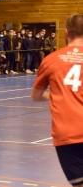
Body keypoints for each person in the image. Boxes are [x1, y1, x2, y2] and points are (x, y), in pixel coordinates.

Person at [31, 14, 83, 187]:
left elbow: (36, 95)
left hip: (67, 135)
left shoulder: (51, 60)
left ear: (66, 33)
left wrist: (55, 94)